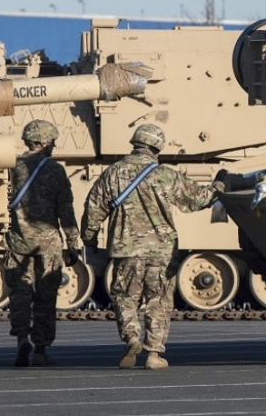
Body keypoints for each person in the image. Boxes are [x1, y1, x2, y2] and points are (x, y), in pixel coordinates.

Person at [81, 123, 223, 370]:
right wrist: (218, 187)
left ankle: (131, 336)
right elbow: (198, 199)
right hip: (161, 252)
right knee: (158, 301)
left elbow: (93, 209)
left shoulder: (113, 173)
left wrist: (90, 240)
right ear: (157, 148)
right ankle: (154, 355)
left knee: (125, 297)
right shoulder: (165, 175)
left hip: (126, 250)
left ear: (134, 143)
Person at [4, 119, 80, 367]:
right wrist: (73, 243)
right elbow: (65, 210)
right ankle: (40, 350)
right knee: (46, 296)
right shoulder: (55, 170)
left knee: (20, 292)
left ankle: (21, 339)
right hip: (48, 244)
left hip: (18, 239)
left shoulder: (11, 167)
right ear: (46, 142)